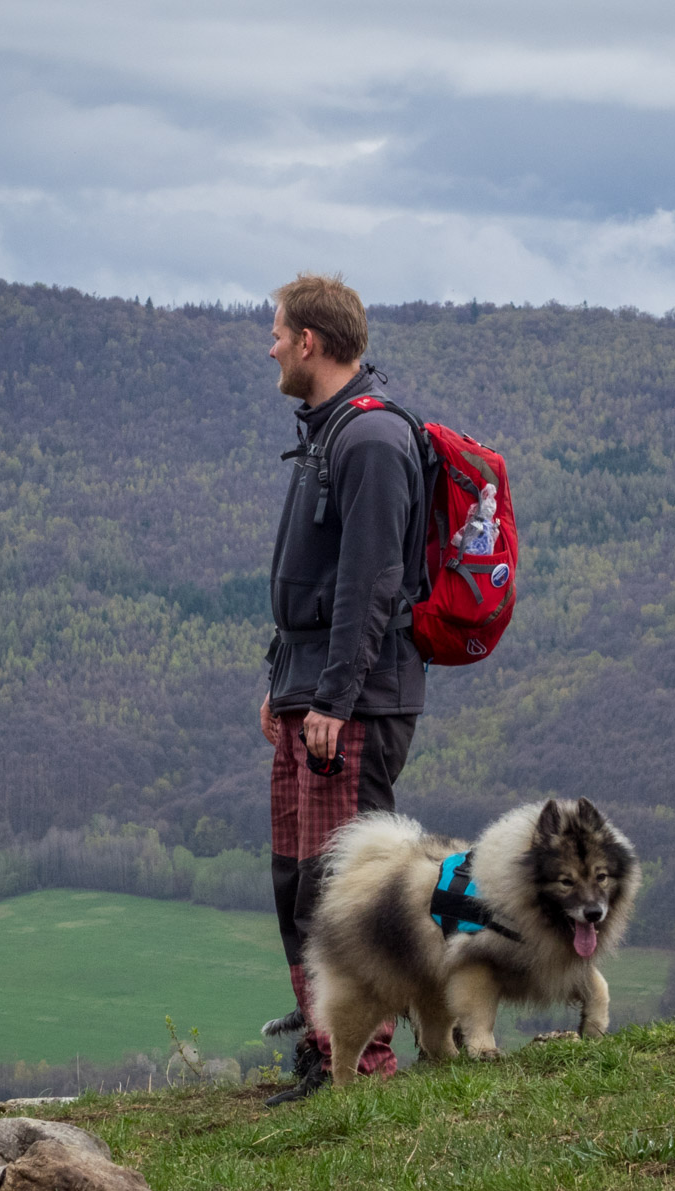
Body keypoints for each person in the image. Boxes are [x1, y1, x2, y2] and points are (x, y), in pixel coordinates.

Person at [258, 273, 427, 1105]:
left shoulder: (370, 442)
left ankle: (361, 1063)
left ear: (311, 342)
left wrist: (330, 697)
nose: (273, 345)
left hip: (349, 705)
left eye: (279, 331)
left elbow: (371, 583)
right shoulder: (328, 434)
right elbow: (310, 579)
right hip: (310, 693)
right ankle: (326, 1050)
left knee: (345, 891)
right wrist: (282, 683)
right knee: (298, 883)